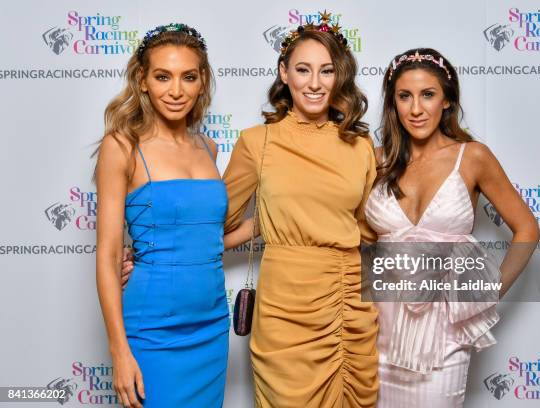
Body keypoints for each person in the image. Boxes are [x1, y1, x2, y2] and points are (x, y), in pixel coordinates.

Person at [365, 48, 540, 407]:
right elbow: (351, 233)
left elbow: (527, 229)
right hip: (376, 330)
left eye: (428, 94)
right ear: (393, 103)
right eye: (404, 96)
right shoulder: (375, 160)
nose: (416, 108)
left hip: (444, 335)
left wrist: (484, 294)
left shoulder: (472, 156)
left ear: (447, 100)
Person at [222, 12, 380, 407]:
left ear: (339, 76)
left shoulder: (359, 146)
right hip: (284, 308)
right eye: (303, 69)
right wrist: (151, 254)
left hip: (345, 300)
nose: (314, 83)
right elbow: (216, 224)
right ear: (284, 72)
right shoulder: (257, 142)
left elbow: (368, 230)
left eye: (326, 71)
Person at [94, 24, 230, 407]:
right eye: (162, 77)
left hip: (212, 326)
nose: (176, 91)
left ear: (202, 81)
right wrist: (120, 352)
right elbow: (107, 256)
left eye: (188, 77)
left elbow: (204, 237)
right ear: (142, 80)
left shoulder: (209, 146)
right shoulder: (121, 146)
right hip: (151, 330)